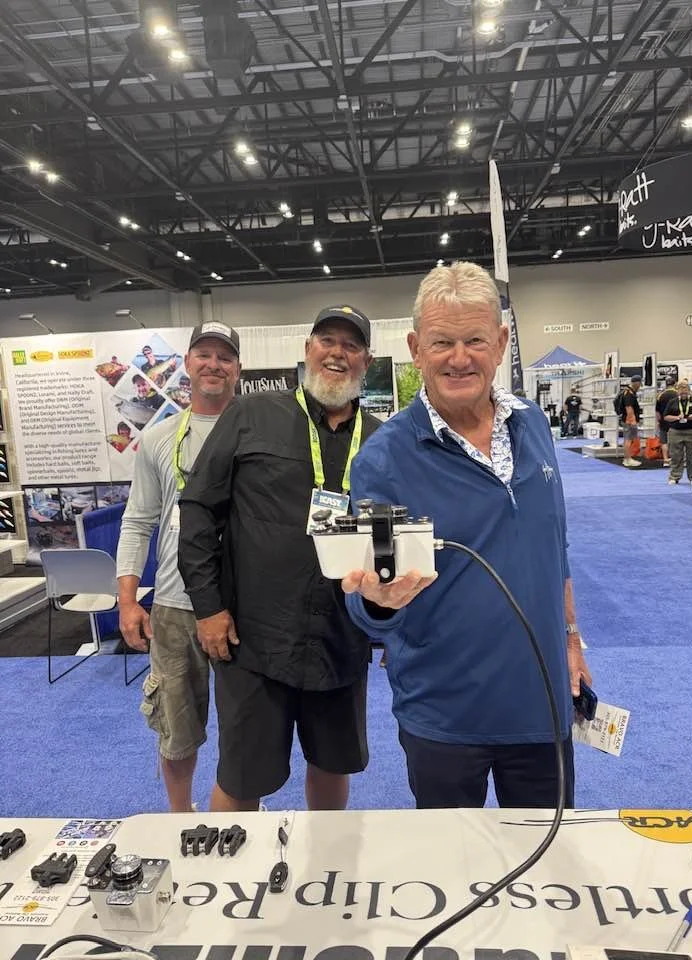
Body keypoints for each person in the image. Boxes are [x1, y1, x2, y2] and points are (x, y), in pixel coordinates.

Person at [341, 261, 591, 809]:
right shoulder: (383, 460)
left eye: (475, 339)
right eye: (442, 342)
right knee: (454, 878)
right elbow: (370, 599)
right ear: (415, 347)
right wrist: (379, 603)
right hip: (445, 719)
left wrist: (571, 637)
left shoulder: (535, 424)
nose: (459, 358)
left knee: (546, 880)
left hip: (542, 703)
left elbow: (556, 548)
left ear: (500, 343)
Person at [178, 305, 381, 813]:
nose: (338, 353)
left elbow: (389, 533)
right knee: (244, 774)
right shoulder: (251, 415)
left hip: (341, 638)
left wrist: (392, 621)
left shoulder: (382, 440)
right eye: (327, 340)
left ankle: (326, 871)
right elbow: (199, 511)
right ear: (308, 349)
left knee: (333, 764)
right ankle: (224, 882)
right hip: (254, 642)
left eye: (351, 345)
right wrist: (207, 608)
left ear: (367, 361)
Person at [117, 322, 241, 811]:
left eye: (224, 357)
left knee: (244, 725)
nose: (213, 364)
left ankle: (236, 810)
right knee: (176, 728)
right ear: (187, 363)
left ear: (238, 369)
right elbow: (137, 522)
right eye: (204, 354)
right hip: (172, 605)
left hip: (240, 605)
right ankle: (180, 816)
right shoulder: (159, 438)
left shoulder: (256, 433)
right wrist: (128, 600)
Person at [664, 380, 692, 485]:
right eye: (681, 389)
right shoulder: (672, 402)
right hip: (676, 432)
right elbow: (666, 417)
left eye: (685, 389)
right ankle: (674, 476)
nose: (683, 391)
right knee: (676, 456)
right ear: (677, 390)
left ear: (689, 390)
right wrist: (676, 417)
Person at [620, 375, 643, 469]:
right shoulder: (629, 394)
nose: (640, 385)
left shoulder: (628, 392)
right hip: (629, 420)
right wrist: (632, 420)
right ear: (636, 383)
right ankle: (628, 459)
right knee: (628, 440)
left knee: (627, 439)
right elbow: (629, 408)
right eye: (639, 383)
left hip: (628, 419)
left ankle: (627, 458)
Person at [655, 375, 678, 466]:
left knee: (664, 441)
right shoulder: (677, 394)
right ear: (674, 384)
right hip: (675, 420)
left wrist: (658, 421)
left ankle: (665, 460)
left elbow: (657, 411)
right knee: (675, 441)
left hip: (664, 421)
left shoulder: (660, 395)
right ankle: (674, 459)